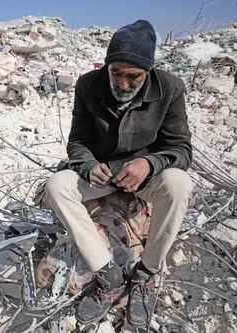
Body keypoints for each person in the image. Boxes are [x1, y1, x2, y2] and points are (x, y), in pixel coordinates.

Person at [42, 20, 193, 329]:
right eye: (116, 73)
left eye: (133, 77)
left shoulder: (170, 88)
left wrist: (149, 164)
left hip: (145, 177)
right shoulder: (88, 85)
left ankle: (146, 275)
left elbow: (180, 149)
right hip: (102, 175)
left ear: (148, 71)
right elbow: (78, 142)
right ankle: (107, 274)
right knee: (58, 186)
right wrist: (87, 166)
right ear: (107, 65)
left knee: (179, 184)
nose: (122, 84)